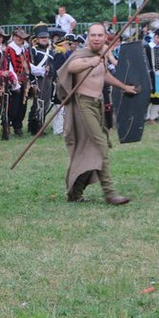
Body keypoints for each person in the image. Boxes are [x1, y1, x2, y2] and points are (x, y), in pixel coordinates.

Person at [56, 23, 138, 205]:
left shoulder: (101, 57)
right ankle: (110, 193)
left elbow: (104, 75)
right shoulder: (82, 55)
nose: (96, 38)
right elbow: (72, 67)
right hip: (82, 105)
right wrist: (90, 62)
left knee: (89, 150)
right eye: (93, 35)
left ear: (105, 37)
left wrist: (124, 87)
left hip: (97, 105)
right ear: (88, 36)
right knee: (100, 146)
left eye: (100, 35)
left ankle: (75, 193)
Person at [5, 28, 31, 137]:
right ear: (14, 37)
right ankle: (8, 125)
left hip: (24, 80)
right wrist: (15, 82)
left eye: (22, 38)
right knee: (13, 106)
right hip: (14, 81)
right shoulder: (10, 49)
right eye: (18, 37)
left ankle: (18, 126)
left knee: (22, 105)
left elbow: (28, 65)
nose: (19, 39)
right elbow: (10, 67)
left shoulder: (24, 50)